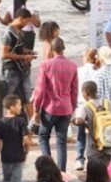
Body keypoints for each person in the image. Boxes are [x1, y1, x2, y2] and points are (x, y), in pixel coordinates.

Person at [33, 38, 79, 172]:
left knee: (43, 137)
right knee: (61, 141)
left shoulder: (46, 65)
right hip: (66, 108)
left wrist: (36, 108)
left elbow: (40, 89)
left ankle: (48, 170)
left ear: (52, 50)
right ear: (64, 48)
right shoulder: (72, 65)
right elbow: (74, 90)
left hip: (49, 108)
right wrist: (73, 107)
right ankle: (62, 172)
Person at [71, 81, 111, 167]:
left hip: (95, 148)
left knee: (96, 174)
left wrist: (75, 120)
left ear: (85, 93)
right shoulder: (108, 103)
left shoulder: (85, 106)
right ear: (96, 91)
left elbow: (78, 121)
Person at [0, 95, 30, 182]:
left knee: (7, 180)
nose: (21, 107)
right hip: (18, 156)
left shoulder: (1, 122)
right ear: (12, 107)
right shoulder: (21, 121)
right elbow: (26, 140)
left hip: (6, 157)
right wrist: (26, 152)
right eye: (19, 105)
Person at [2, 9, 37, 108]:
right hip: (11, 69)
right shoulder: (8, 34)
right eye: (26, 21)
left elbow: (18, 48)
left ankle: (30, 121)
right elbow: (4, 54)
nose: (26, 24)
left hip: (22, 68)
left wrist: (28, 52)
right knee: (8, 98)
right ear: (20, 18)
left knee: (27, 97)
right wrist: (24, 57)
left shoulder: (19, 32)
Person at [75, 49, 100, 171]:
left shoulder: (78, 71)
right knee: (93, 133)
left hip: (81, 105)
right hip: (94, 106)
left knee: (80, 134)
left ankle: (79, 159)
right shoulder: (99, 72)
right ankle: (92, 159)